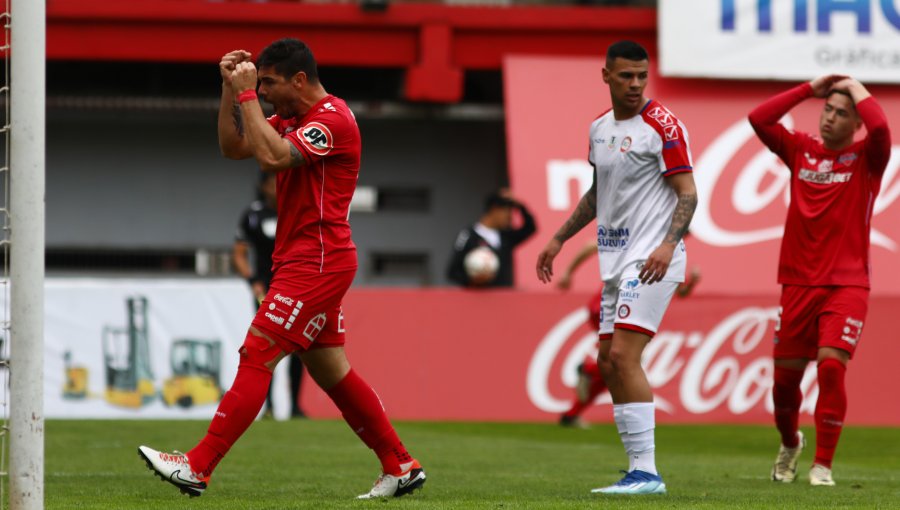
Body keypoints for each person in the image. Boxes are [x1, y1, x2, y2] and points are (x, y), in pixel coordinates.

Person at [138, 38, 426, 499]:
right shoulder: (294, 119)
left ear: (299, 79)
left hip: (317, 260)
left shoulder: (331, 119)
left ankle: (197, 465)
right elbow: (235, 146)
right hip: (305, 258)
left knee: (257, 354)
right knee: (331, 370)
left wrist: (249, 94)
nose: (264, 90)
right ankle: (400, 463)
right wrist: (232, 90)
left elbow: (272, 157)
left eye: (269, 82)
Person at [535, 40, 697, 496]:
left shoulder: (662, 125)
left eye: (642, 76)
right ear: (605, 76)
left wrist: (669, 244)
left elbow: (688, 193)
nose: (635, 84)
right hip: (616, 262)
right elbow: (596, 193)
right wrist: (559, 238)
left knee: (624, 356)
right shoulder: (599, 129)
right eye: (625, 76)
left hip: (650, 262)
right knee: (607, 362)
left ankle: (647, 473)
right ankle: (636, 471)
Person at [748, 75, 890, 487]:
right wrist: (809, 88)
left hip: (847, 284)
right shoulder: (801, 150)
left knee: (831, 366)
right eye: (827, 109)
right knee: (784, 386)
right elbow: (759, 118)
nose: (830, 118)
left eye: (842, 113)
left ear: (856, 123)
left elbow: (881, 127)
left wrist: (856, 85)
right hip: (796, 283)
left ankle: (823, 465)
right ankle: (791, 443)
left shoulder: (868, 158)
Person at [556, 240, 700, 428]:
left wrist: (692, 283)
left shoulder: (667, 251)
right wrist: (568, 272)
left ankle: (571, 414)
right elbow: (590, 246)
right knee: (624, 361)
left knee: (613, 367)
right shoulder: (647, 238)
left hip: (606, 306)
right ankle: (588, 370)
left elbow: (680, 291)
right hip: (615, 307)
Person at [233, 171, 306, 419]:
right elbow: (239, 254)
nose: (278, 186)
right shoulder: (253, 215)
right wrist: (252, 281)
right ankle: (269, 407)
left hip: (295, 287)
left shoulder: (296, 208)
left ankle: (295, 406)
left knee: (299, 347)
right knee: (266, 346)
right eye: (272, 182)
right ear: (263, 186)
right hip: (266, 289)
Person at [446, 189, 536, 287]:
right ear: (494, 209)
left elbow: (530, 228)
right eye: (507, 211)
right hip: (478, 300)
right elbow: (453, 272)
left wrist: (520, 206)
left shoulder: (506, 236)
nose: (510, 217)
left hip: (504, 299)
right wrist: (472, 281)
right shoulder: (468, 235)